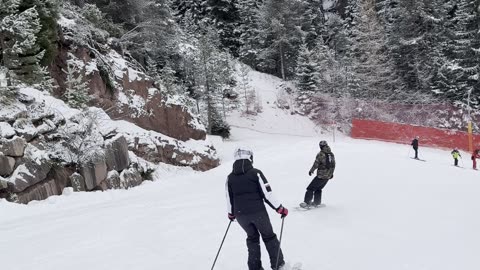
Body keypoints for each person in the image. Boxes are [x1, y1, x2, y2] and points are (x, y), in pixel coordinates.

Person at [226, 147, 288, 270]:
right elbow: (267, 193)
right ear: (250, 157)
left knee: (252, 239)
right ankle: (279, 266)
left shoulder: (230, 177)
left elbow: (229, 197)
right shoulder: (255, 173)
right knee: (269, 237)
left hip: (241, 216)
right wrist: (279, 208)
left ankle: (255, 268)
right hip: (258, 213)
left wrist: (231, 214)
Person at [300, 140, 336, 208]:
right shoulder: (331, 154)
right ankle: (317, 202)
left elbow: (316, 164)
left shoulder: (321, 154)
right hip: (328, 176)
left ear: (321, 146)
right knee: (318, 188)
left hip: (321, 176)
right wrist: (331, 174)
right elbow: (333, 164)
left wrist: (311, 170)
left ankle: (306, 203)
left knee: (310, 188)